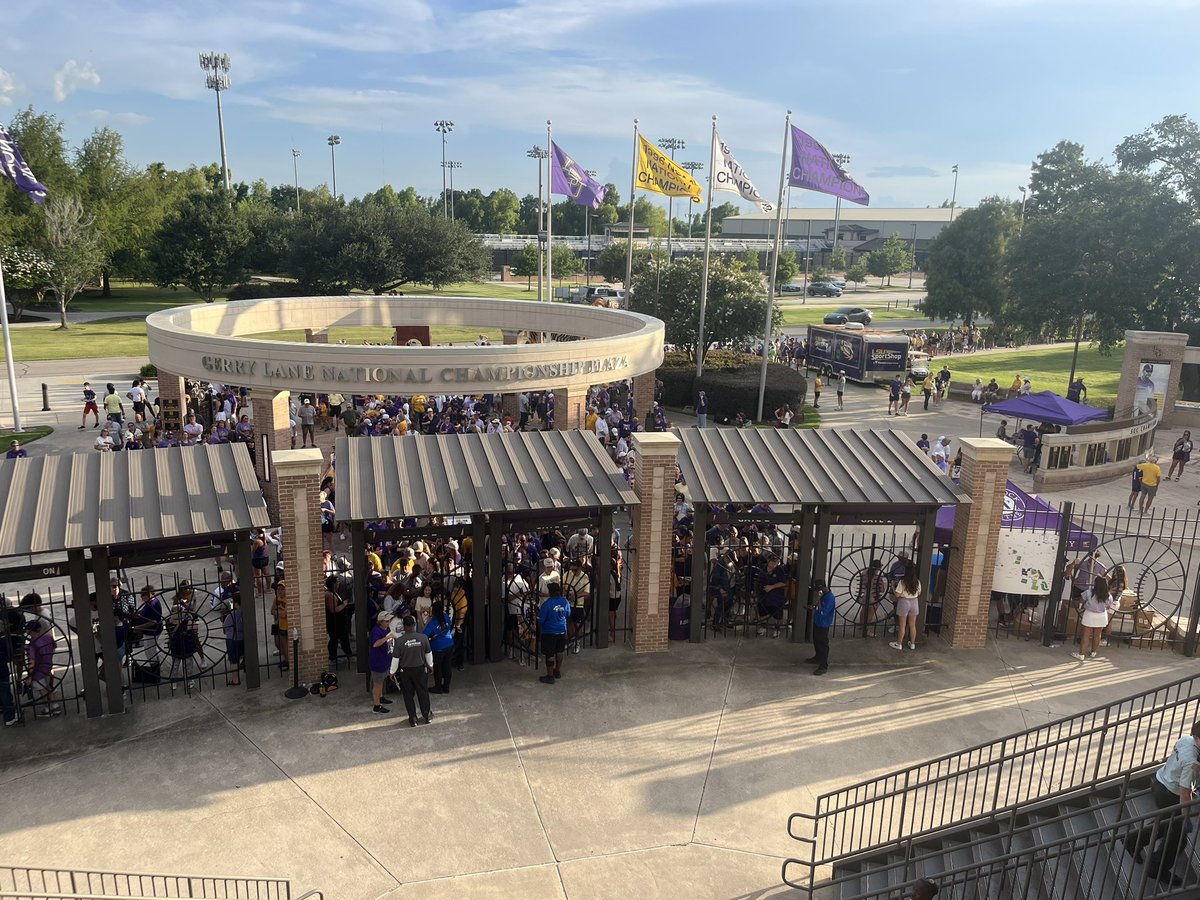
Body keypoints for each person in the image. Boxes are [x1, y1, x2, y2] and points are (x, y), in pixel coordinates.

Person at [1123, 719, 1200, 887]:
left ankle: (1132, 840)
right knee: (1178, 838)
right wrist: (1185, 817)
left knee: (1165, 823)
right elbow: (1184, 793)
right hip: (1170, 794)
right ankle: (1156, 869)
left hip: (1160, 782)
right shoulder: (1192, 762)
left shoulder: (1186, 739)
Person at [391, 615, 433, 727]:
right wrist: (431, 666)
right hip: (420, 669)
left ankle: (413, 719)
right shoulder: (423, 638)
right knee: (423, 692)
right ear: (414, 625)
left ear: (404, 627)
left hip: (405, 672)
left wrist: (392, 672)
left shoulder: (399, 641)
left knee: (408, 695)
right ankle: (427, 715)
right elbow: (428, 654)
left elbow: (395, 659)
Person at [537, 582, 571, 685]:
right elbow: (568, 614)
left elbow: (541, 620)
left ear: (550, 592)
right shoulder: (565, 602)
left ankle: (550, 676)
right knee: (560, 651)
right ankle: (557, 670)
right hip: (561, 630)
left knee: (550, 653)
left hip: (549, 632)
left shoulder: (546, 605)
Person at [1073, 575, 1112, 660]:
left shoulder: (1089, 592)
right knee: (1097, 635)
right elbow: (1108, 606)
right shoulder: (1108, 595)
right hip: (1101, 615)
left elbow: (1081, 600)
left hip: (1090, 614)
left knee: (1085, 635)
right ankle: (1093, 652)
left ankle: (1081, 654)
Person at [424, 599, 455, 694]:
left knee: (437, 668)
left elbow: (425, 635)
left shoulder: (432, 622)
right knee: (447, 666)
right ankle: (446, 687)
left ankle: (438, 687)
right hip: (449, 645)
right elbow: (448, 627)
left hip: (438, 648)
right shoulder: (446, 617)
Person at [890, 562, 921, 651]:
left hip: (904, 603)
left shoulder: (902, 582)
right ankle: (912, 643)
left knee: (902, 625)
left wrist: (893, 586)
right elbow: (919, 593)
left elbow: (897, 595)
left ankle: (899, 643)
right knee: (912, 625)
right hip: (914, 602)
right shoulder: (917, 582)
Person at [807, 579, 836, 676]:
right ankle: (817, 657)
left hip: (823, 624)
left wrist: (818, 600)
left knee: (823, 644)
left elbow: (823, 612)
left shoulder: (830, 598)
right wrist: (813, 606)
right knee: (816, 641)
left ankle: (823, 665)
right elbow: (818, 608)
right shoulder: (823, 594)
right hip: (817, 621)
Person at [368, 611, 394, 714]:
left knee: (382, 680)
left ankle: (381, 697)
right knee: (377, 684)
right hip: (377, 662)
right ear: (381, 622)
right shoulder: (376, 631)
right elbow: (375, 644)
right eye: (386, 621)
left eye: (389, 621)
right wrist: (387, 637)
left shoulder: (386, 628)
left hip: (385, 660)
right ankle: (376, 705)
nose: (388, 623)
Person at [221, 594, 244, 685]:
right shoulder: (245, 613)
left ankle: (235, 679)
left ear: (237, 603)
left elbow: (225, 628)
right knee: (239, 656)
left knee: (234, 660)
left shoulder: (232, 614)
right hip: (242, 638)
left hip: (232, 638)